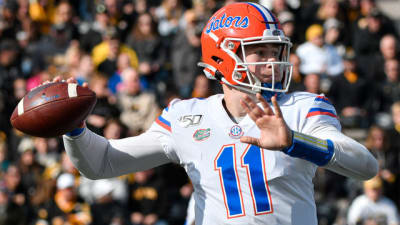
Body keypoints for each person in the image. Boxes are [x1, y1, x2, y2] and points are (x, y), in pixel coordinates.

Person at [60, 3, 377, 225]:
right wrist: (74, 128)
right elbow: (101, 163)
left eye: (276, 52)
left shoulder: (302, 108)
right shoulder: (185, 116)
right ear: (223, 56)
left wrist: (296, 142)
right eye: (260, 52)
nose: (272, 63)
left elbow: (365, 165)